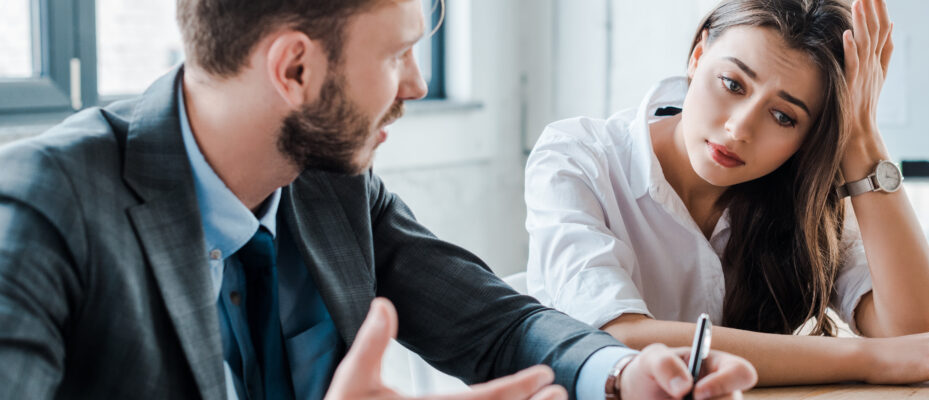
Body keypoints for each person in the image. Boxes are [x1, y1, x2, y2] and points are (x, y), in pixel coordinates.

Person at [0, 0, 759, 399]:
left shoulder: (331, 182)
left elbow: (497, 323)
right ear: (294, 69)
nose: (418, 85)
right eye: (396, 52)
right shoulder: (42, 211)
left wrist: (621, 377)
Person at [525, 0, 929, 387]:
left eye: (784, 116)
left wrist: (861, 137)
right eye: (732, 83)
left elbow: (917, 339)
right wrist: (866, 357)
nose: (739, 129)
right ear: (698, 56)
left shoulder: (800, 190)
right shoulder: (578, 155)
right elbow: (620, 337)